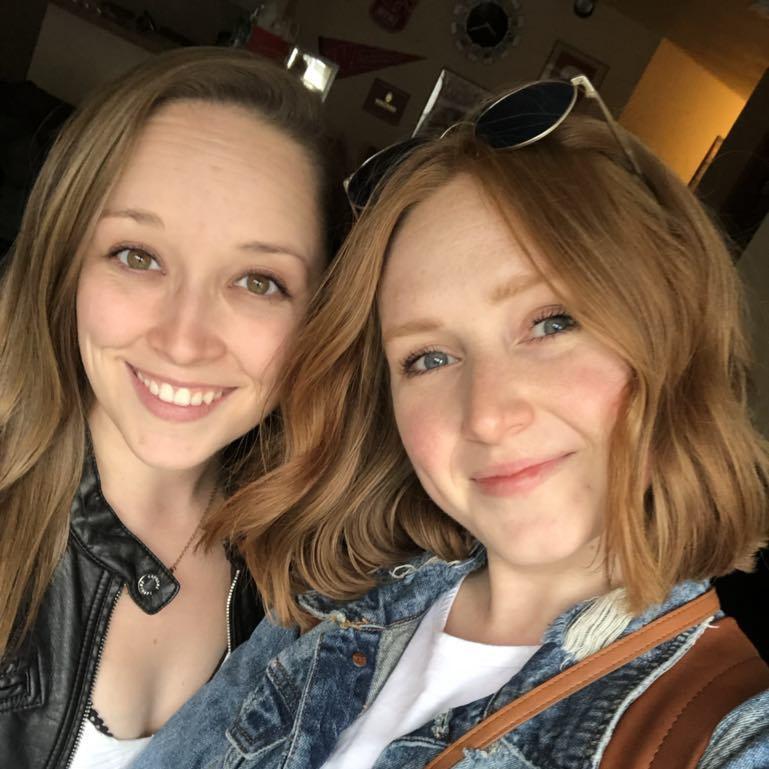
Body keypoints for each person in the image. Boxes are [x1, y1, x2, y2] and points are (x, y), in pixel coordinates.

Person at [132, 77, 769, 769]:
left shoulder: (727, 728)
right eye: (428, 358)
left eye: (551, 323)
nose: (487, 415)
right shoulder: (330, 611)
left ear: (671, 329)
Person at [0, 46, 338, 769]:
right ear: (63, 263)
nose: (184, 340)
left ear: (319, 316)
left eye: (258, 280)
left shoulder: (324, 575)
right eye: (138, 255)